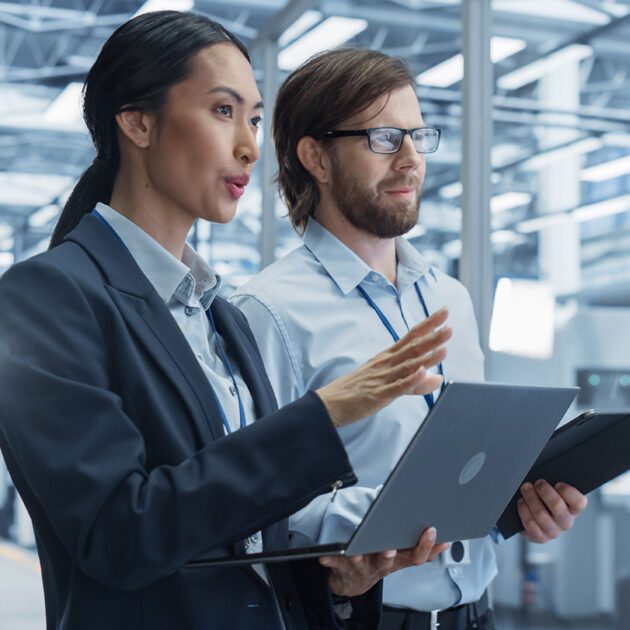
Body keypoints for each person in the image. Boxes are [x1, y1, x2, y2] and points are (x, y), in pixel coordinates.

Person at [0, 15, 452, 630]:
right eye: (223, 111)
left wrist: (343, 580)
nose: (249, 145)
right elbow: (121, 533)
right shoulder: (47, 297)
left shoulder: (221, 316)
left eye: (256, 119)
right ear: (137, 122)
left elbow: (248, 540)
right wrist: (327, 411)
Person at [231, 48, 589, 630]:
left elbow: (469, 466)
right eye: (383, 138)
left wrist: (521, 506)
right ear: (315, 156)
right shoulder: (267, 312)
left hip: (476, 615)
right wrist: (371, 522)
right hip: (363, 619)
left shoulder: (452, 298)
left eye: (419, 136)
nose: (410, 160)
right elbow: (246, 505)